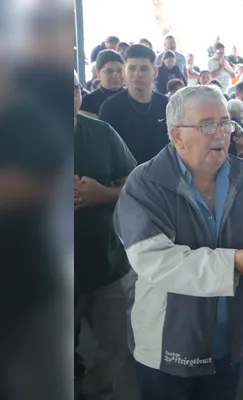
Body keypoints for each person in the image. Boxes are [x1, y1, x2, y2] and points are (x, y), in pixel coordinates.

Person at [113, 85, 243, 399]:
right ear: (177, 135)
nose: (221, 133)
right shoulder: (145, 184)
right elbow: (154, 260)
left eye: (225, 123)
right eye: (207, 125)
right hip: (168, 345)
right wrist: (233, 262)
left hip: (230, 339)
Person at [74, 70, 136, 400]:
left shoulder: (101, 133)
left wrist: (102, 194)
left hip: (108, 265)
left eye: (70, 90)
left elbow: (133, 184)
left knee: (117, 348)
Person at [98, 44, 170, 164]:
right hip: (124, 178)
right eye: (132, 68)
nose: (137, 74)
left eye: (144, 68)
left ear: (155, 71)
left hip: (162, 176)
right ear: (124, 70)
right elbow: (103, 151)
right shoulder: (110, 107)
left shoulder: (166, 105)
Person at [80, 50, 125, 118]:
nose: (116, 75)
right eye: (109, 71)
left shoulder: (132, 97)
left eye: (119, 70)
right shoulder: (87, 102)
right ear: (98, 72)